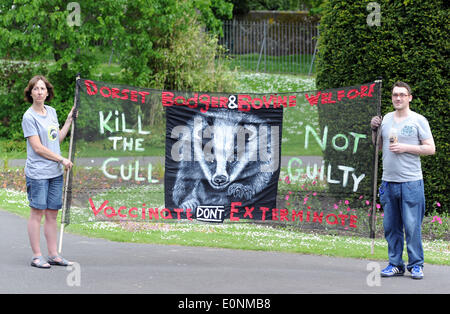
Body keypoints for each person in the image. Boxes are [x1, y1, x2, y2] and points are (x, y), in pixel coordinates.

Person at [370, 81, 435, 280]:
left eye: (402, 95)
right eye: (395, 95)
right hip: (388, 182)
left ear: (409, 98)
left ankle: (416, 265)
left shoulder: (418, 120)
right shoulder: (386, 119)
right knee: (391, 227)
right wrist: (374, 129)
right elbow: (378, 146)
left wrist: (406, 148)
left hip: (411, 182)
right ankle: (395, 264)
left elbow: (430, 148)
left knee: (412, 226)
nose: (398, 98)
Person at [22, 75, 75, 268]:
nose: (39, 92)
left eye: (42, 89)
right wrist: (61, 159)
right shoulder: (29, 117)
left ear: (47, 92)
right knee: (37, 213)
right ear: (30, 93)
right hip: (38, 173)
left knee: (52, 214)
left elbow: (55, 140)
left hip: (55, 173)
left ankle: (53, 254)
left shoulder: (51, 112)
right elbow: (38, 147)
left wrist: (68, 121)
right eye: (35, 89)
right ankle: (37, 255)